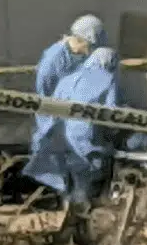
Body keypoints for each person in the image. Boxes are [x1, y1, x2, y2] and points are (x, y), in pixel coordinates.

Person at [23, 45, 121, 206]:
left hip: (60, 140)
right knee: (87, 183)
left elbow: (52, 108)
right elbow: (112, 115)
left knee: (68, 183)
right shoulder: (108, 78)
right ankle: (82, 219)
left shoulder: (69, 78)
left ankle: (69, 208)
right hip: (86, 141)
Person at [30, 14, 107, 160]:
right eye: (92, 45)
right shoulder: (52, 61)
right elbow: (44, 99)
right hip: (57, 122)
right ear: (81, 40)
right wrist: (51, 129)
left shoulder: (86, 57)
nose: (94, 50)